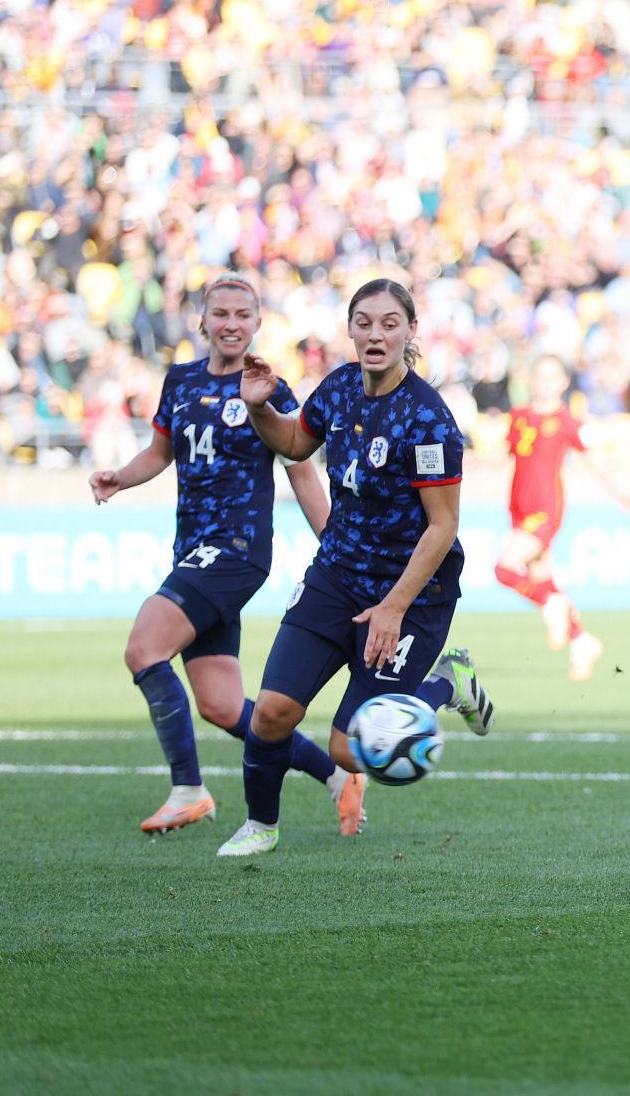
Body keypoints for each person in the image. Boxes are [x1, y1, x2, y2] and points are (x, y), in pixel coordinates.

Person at [215, 278, 496, 858]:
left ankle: (448, 682)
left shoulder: (429, 421)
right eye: (364, 322)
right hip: (337, 574)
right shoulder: (340, 388)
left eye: (390, 323)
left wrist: (393, 608)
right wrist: (258, 406)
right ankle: (261, 826)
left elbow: (443, 527)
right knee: (271, 713)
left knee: (350, 749)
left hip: (413, 593)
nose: (376, 334)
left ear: (410, 332)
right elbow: (294, 444)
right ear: (350, 329)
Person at [88, 274, 347, 835]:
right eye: (221, 314)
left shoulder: (269, 389)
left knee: (143, 647)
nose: (232, 324)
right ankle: (336, 777)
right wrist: (119, 478)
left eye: (243, 315)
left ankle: (188, 788)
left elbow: (302, 474)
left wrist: (335, 546)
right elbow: (159, 453)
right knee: (223, 706)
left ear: (257, 323)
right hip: (192, 550)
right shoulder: (179, 381)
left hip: (236, 550)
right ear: (202, 321)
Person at [496, 355, 630, 681]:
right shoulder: (518, 417)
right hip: (518, 509)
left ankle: (552, 605)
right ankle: (582, 640)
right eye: (539, 375)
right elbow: (501, 458)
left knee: (503, 569)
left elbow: (594, 460)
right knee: (544, 581)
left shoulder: (568, 422)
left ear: (563, 382)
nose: (544, 382)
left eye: (551, 376)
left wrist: (618, 492)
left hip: (545, 510)